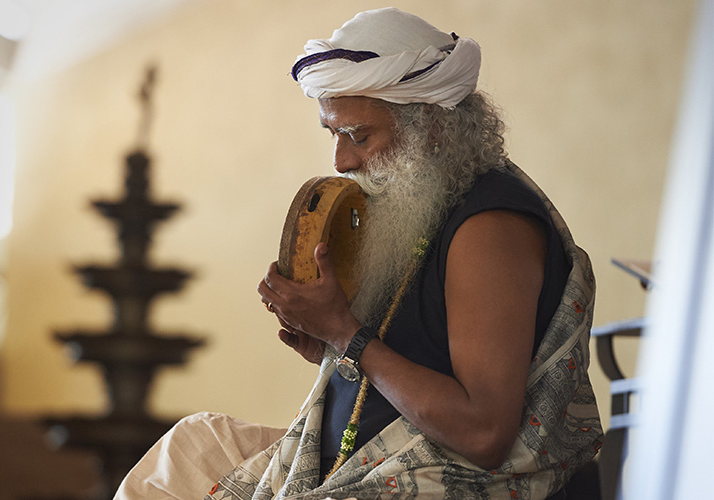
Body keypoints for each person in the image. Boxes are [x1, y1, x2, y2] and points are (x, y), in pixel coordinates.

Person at [115, 8, 602, 500]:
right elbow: (406, 355)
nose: (341, 161)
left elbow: (483, 435)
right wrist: (329, 347)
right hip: (358, 461)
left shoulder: (489, 229)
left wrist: (345, 335)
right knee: (192, 445)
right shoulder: (420, 206)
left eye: (360, 136)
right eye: (334, 134)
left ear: (431, 126)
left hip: (438, 481)